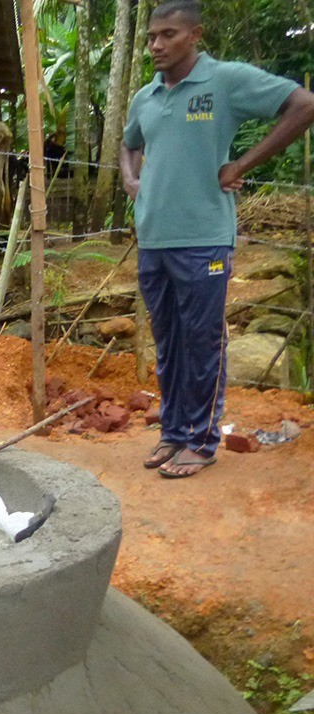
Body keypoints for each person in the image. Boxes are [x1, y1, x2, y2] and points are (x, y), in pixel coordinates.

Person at [120, 0, 314, 478]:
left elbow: (304, 105)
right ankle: (173, 432)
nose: (157, 45)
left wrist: (242, 164)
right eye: (151, 37)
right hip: (154, 238)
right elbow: (129, 143)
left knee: (202, 340)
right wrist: (131, 180)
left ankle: (202, 441)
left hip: (204, 239)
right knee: (168, 342)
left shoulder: (224, 81)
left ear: (195, 36)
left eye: (168, 35)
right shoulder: (146, 96)